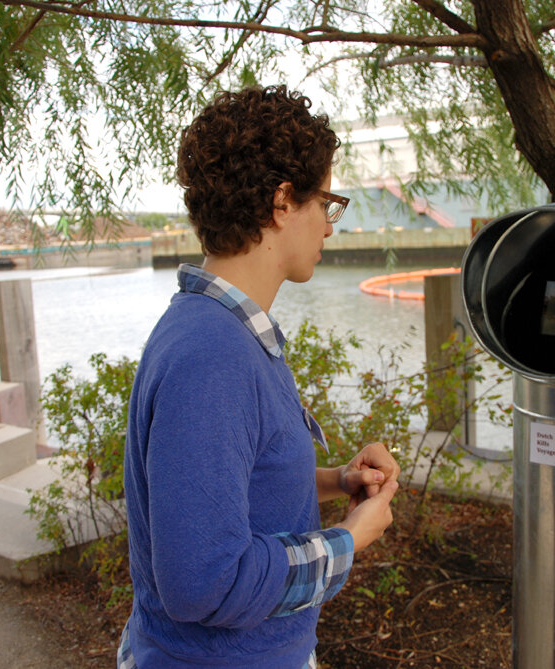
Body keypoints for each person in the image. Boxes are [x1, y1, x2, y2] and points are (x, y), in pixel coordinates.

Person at [119, 85, 401, 668]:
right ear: (281, 202)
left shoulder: (224, 332)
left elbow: (232, 484)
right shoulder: (212, 356)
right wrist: (348, 541)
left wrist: (334, 480)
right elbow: (205, 583)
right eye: (326, 203)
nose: (329, 227)